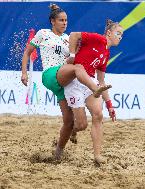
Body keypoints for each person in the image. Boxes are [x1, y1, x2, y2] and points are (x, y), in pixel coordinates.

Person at [21, 4, 110, 160]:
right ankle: (94, 88)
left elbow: (74, 57)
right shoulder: (44, 33)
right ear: (52, 21)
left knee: (74, 124)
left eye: (66, 20)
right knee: (77, 68)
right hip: (50, 74)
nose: (64, 23)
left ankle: (57, 153)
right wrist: (24, 73)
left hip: (64, 82)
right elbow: (28, 51)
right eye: (61, 20)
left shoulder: (67, 39)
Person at [63, 19, 123, 164]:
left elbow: (101, 81)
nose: (120, 37)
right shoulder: (98, 39)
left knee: (98, 115)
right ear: (109, 33)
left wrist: (110, 105)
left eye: (122, 35)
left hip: (90, 83)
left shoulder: (106, 53)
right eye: (118, 33)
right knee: (81, 125)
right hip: (75, 81)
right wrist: (72, 56)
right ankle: (73, 130)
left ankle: (97, 156)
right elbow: (73, 35)